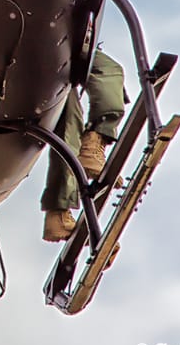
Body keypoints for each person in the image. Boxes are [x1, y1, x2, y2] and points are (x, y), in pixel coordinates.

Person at [41, 48, 126, 241]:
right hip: (30, 52)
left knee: (107, 72)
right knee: (68, 108)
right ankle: (58, 211)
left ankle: (93, 144)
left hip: (60, 44)